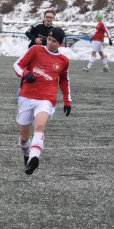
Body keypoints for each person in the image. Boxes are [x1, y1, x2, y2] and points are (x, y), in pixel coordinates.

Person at [14, 27, 72, 175]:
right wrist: (26, 74)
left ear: (60, 43)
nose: (50, 43)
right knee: (23, 138)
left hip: (46, 98)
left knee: (39, 126)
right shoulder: (35, 50)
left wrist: (67, 101)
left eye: (54, 41)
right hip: (27, 95)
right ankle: (27, 155)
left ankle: (34, 158)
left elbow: (64, 81)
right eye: (49, 39)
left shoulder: (64, 61)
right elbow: (17, 65)